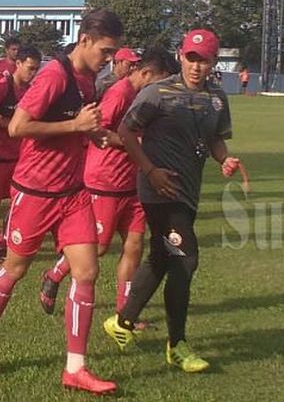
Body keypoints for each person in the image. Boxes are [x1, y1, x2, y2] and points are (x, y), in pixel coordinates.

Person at [0, 9, 123, 395]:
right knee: (14, 270)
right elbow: (19, 127)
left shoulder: (88, 80)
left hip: (72, 193)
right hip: (34, 193)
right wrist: (75, 127)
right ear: (84, 40)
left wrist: (92, 135)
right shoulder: (54, 74)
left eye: (113, 53)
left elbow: (76, 126)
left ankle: (75, 368)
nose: (109, 59)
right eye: (105, 51)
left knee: (86, 272)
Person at [102, 29, 241, 374]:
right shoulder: (157, 93)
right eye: (190, 58)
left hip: (188, 192)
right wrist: (150, 172)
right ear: (181, 56)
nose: (196, 66)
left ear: (213, 61)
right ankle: (177, 345)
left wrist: (224, 159)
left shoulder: (218, 99)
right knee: (185, 260)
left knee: (162, 257)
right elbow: (125, 132)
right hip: (159, 192)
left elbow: (215, 142)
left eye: (203, 60)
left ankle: (122, 321)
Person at [39, 47, 178, 317]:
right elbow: (96, 129)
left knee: (135, 245)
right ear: (146, 73)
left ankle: (125, 312)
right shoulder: (119, 93)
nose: (162, 88)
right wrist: (134, 143)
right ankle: (54, 274)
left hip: (133, 179)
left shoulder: (145, 97)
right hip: (106, 179)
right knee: (99, 247)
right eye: (161, 81)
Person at [0, 46, 42, 259]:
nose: (32, 73)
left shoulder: (32, 91)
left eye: (36, 69)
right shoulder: (2, 87)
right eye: (30, 68)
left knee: (17, 203)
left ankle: (1, 244)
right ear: (18, 64)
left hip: (18, 156)